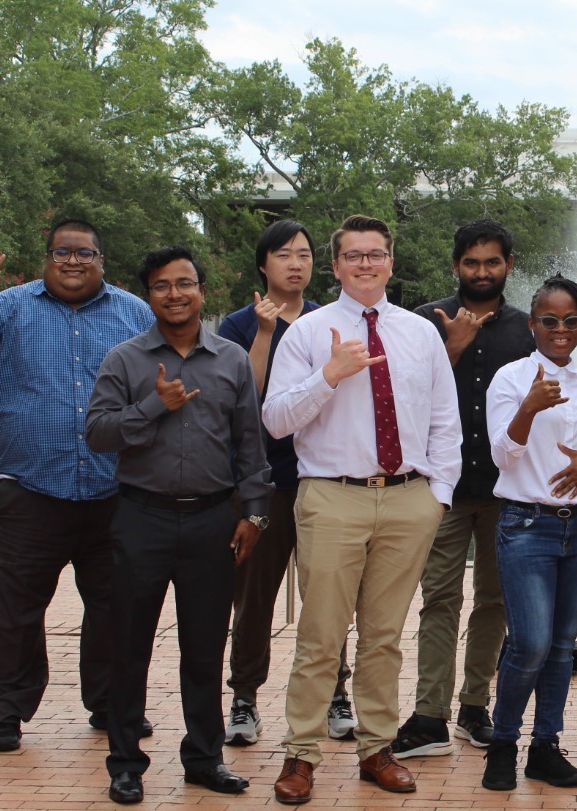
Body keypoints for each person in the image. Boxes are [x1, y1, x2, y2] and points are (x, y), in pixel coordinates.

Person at [264, 215, 462, 801]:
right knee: (321, 636)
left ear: (390, 263)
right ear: (336, 266)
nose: (366, 264)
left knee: (384, 636)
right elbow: (275, 419)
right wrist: (329, 376)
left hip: (408, 500)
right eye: (353, 255)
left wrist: (438, 494)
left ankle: (376, 748)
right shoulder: (306, 332)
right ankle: (301, 753)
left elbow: (443, 418)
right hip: (332, 497)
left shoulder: (420, 333)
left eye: (376, 254)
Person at [0, 219, 154, 753]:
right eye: (62, 253)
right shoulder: (9, 307)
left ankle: (109, 704)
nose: (73, 262)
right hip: (30, 488)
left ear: (103, 260)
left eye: (84, 253)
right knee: (16, 610)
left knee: (113, 607)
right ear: (46, 259)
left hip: (113, 490)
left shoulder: (134, 313)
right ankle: (5, 713)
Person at [86, 246, 273, 804]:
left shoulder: (232, 360)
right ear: (149, 295)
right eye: (162, 285)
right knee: (128, 645)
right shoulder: (124, 360)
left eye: (185, 283)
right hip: (140, 517)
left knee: (204, 646)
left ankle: (204, 759)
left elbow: (250, 445)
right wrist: (151, 405)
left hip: (212, 520)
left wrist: (254, 512)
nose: (175, 293)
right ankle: (125, 764)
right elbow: (98, 433)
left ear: (201, 291)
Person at [479, 274, 577, 791]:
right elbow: (502, 455)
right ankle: (502, 742)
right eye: (550, 320)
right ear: (532, 324)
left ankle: (545, 745)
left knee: (563, 646)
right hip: (526, 526)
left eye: (571, 321)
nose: (561, 330)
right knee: (530, 643)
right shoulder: (510, 378)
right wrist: (528, 409)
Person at [396, 220, 534, 757]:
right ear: (456, 266)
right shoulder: (422, 323)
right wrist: (450, 350)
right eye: (471, 263)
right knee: (439, 600)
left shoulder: (528, 329)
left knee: (495, 602)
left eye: (492, 262)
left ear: (508, 265)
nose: (482, 272)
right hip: (443, 487)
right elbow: (403, 399)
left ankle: (475, 707)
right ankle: (430, 714)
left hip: (507, 490)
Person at [218, 219, 358, 747]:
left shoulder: (332, 322)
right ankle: (244, 699)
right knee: (253, 596)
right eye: (283, 255)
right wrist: (263, 333)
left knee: (329, 595)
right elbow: (246, 399)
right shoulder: (238, 325)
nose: (295, 264)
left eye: (304, 254)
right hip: (264, 480)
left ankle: (335, 696)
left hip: (323, 476)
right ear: (264, 264)